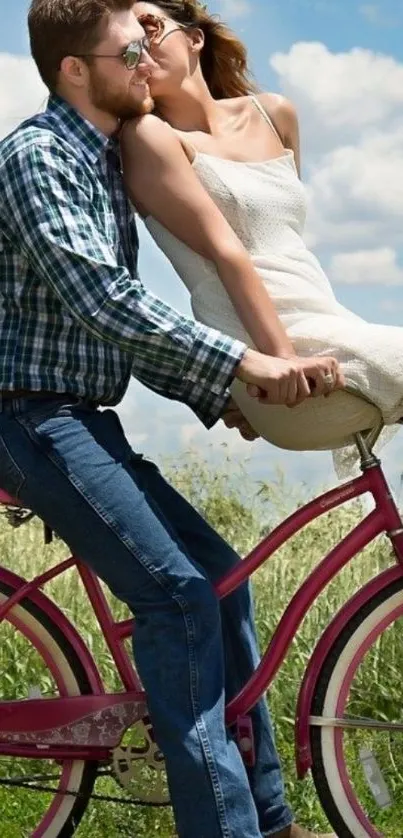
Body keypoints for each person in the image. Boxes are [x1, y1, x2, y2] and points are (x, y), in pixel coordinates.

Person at [0, 1, 341, 837]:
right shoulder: (39, 156)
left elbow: (113, 324)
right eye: (128, 50)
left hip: (81, 418)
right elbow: (103, 300)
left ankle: (269, 818)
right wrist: (241, 362)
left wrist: (215, 396)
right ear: (76, 69)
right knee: (180, 599)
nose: (144, 62)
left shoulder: (102, 159)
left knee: (221, 581)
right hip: (29, 419)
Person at [120, 0, 403, 461]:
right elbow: (227, 253)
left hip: (330, 329)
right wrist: (281, 361)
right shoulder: (149, 136)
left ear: (195, 37)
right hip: (270, 355)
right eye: (128, 44)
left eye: (151, 27)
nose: (141, 46)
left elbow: (288, 249)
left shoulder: (276, 114)